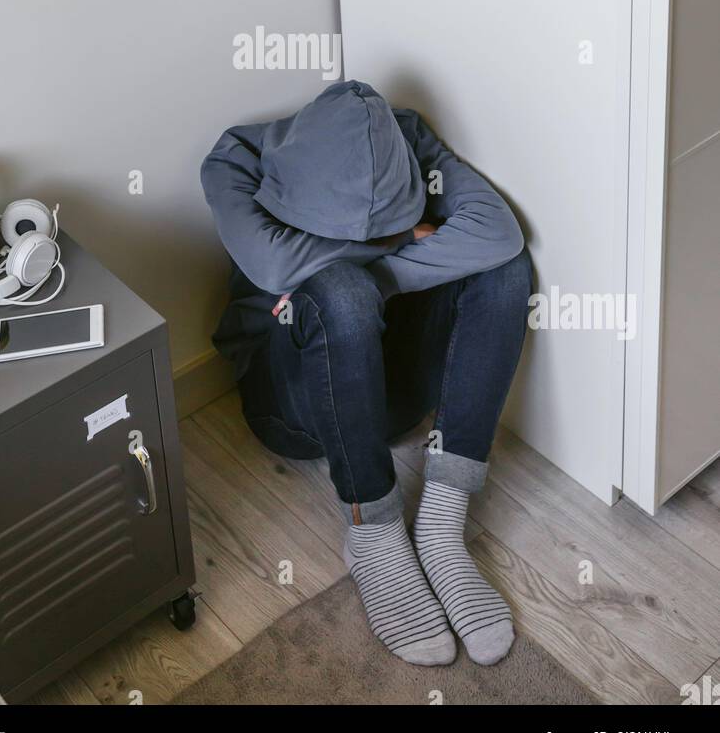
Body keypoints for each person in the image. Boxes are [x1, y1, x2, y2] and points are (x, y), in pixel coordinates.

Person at [201, 79, 531, 667]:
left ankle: (439, 524)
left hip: (385, 388)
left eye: (393, 222)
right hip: (297, 412)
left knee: (503, 269)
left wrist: (373, 268)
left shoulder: (400, 135)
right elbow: (276, 263)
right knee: (342, 295)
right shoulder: (233, 164)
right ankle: (374, 534)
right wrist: (404, 238)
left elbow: (498, 232)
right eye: (365, 233)